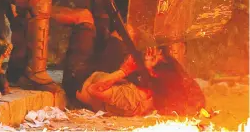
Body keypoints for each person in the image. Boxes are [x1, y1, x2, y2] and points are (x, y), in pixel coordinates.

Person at [76, 46, 205, 116]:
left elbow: (92, 90)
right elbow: (192, 92)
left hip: (79, 78)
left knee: (85, 18)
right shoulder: (154, 87)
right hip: (98, 72)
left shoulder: (133, 98)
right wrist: (147, 66)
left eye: (153, 58)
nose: (149, 56)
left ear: (155, 73)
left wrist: (124, 70)